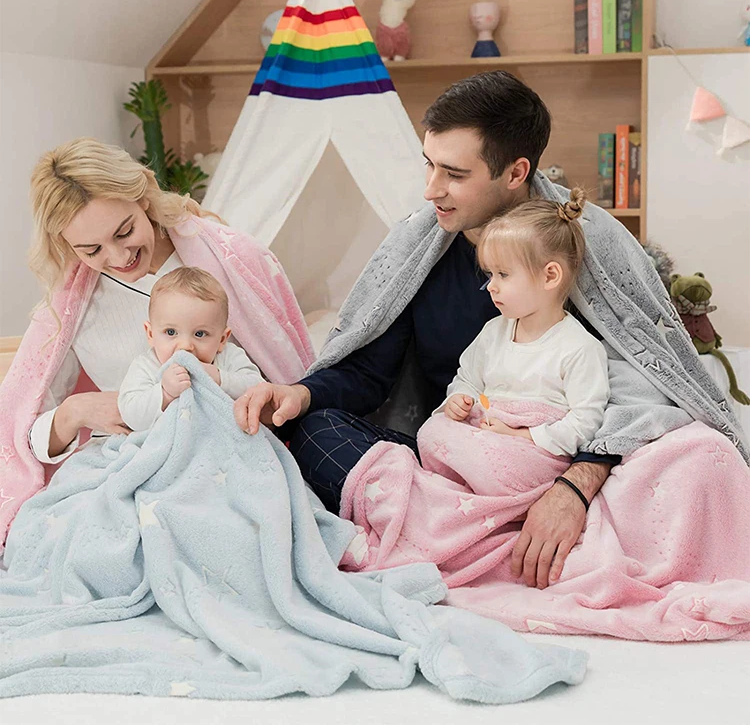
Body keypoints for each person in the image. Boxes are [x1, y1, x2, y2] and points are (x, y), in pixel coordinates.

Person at [235, 70, 746, 592]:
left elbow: (645, 375)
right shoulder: (417, 247)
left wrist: (576, 485)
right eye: (429, 165)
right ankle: (508, 545)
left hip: (574, 455)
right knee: (316, 432)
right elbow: (368, 371)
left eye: (454, 174)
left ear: (516, 172)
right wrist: (300, 394)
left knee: (703, 455)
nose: (431, 190)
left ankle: (463, 544)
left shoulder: (584, 243)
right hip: (459, 468)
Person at [0, 138, 313, 549]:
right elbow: (21, 437)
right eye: (91, 249)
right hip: (126, 465)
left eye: (125, 231)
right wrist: (75, 412)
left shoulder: (232, 261)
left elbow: (293, 385)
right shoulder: (71, 306)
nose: (118, 257)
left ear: (143, 199)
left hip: (226, 459)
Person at [444, 188, 610, 463]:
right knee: (433, 431)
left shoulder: (579, 348)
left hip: (533, 454)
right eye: (490, 274)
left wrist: (521, 436)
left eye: (503, 274)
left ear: (550, 276)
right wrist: (461, 399)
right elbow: (468, 379)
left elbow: (585, 422)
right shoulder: (493, 333)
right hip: (484, 438)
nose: (491, 286)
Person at [118, 267, 263, 432]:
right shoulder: (146, 366)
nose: (185, 346)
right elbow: (131, 415)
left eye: (200, 334)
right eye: (171, 332)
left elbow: (259, 390)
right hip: (171, 442)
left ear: (222, 339)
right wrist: (165, 393)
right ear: (150, 334)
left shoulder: (228, 357)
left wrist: (219, 378)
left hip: (223, 438)